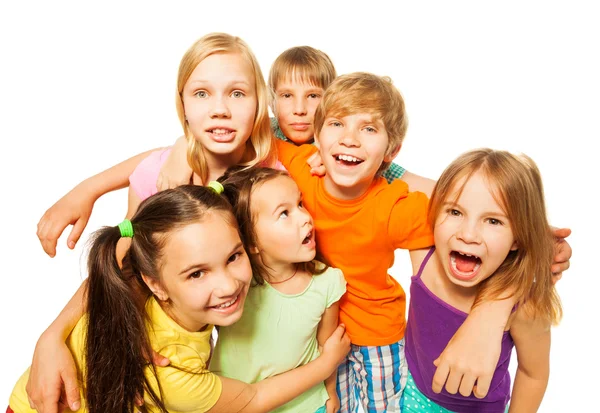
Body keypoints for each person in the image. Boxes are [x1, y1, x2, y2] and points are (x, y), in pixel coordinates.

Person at [271, 72, 527, 412]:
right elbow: (259, 130)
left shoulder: (399, 207)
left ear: (392, 150)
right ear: (317, 135)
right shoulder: (301, 169)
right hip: (323, 333)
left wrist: (528, 233)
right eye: (336, 124)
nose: (349, 139)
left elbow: (471, 231)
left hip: (379, 335)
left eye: (369, 129)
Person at [8, 185, 351, 413]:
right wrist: (325, 364)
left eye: (234, 257)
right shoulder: (169, 370)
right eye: (197, 273)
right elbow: (252, 399)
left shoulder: (137, 285)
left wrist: (50, 335)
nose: (228, 285)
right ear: (155, 283)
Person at [403, 148, 562, 412]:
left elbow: (533, 374)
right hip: (410, 394)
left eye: (493, 221)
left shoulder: (525, 308)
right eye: (455, 212)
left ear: (518, 239)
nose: (468, 234)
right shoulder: (423, 255)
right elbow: (380, 173)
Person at [207, 166, 346, 413]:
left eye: (300, 204)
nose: (305, 217)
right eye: (284, 213)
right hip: (238, 404)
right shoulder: (234, 286)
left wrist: (331, 390)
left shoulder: (327, 281)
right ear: (250, 241)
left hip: (308, 405)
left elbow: (328, 347)